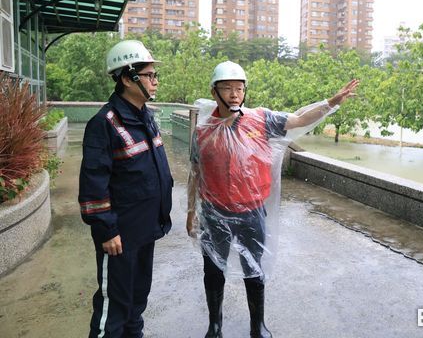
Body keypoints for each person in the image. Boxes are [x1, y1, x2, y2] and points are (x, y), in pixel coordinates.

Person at [186, 60, 359, 338]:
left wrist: (331, 103)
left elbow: (300, 119)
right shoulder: (204, 131)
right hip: (214, 211)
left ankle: (258, 325)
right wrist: (191, 212)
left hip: (251, 212)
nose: (234, 95)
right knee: (213, 271)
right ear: (214, 91)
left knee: (254, 269)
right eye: (227, 88)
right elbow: (196, 172)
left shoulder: (261, 120)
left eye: (239, 89)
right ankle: (214, 325)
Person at [78, 40, 173, 338]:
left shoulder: (146, 117)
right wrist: (106, 229)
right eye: (149, 75)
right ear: (126, 78)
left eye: (155, 75)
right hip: (120, 236)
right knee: (114, 308)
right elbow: (94, 182)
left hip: (146, 229)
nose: (155, 81)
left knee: (137, 300)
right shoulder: (104, 123)